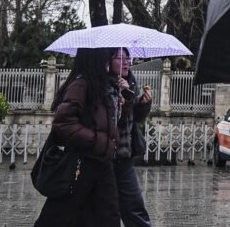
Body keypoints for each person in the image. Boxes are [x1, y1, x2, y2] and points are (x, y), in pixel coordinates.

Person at [34, 48, 120, 227]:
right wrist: (96, 140)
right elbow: (63, 123)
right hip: (82, 164)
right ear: (95, 59)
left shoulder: (103, 86)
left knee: (108, 216)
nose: (109, 63)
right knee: (59, 216)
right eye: (106, 58)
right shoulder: (81, 84)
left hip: (102, 163)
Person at [108, 48, 153, 227]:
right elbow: (111, 122)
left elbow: (133, 119)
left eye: (128, 58)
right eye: (120, 58)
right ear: (109, 61)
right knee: (108, 209)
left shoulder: (130, 83)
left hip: (124, 156)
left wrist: (143, 104)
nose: (126, 62)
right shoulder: (103, 85)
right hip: (105, 157)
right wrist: (122, 99)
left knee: (134, 207)